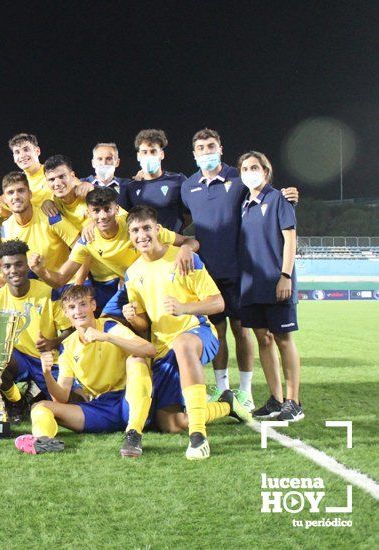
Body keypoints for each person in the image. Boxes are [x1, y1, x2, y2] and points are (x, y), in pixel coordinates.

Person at [181, 129, 299, 409]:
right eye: (201, 147)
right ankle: (222, 389)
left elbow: (266, 196)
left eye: (211, 146)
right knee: (217, 330)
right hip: (207, 274)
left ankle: (245, 390)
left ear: (220, 148)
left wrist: (287, 196)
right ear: (194, 154)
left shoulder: (239, 177)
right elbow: (182, 220)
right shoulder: (188, 186)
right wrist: (184, 244)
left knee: (244, 331)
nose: (206, 151)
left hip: (242, 272)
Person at [122, 206, 246, 460]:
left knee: (183, 343)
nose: (142, 235)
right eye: (135, 230)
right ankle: (226, 405)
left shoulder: (183, 257)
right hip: (163, 348)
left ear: (158, 230)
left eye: (147, 228)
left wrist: (184, 308)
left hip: (197, 333)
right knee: (171, 422)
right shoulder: (132, 274)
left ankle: (198, 436)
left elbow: (217, 303)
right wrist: (134, 317)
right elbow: (145, 325)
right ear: (130, 236)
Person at [15, 285, 157, 457]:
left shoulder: (110, 327)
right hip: (100, 409)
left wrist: (108, 338)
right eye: (72, 307)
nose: (78, 311)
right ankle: (43, 440)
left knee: (137, 359)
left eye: (83, 304)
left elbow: (149, 350)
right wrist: (46, 373)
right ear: (66, 314)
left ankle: (134, 434)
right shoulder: (67, 347)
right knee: (40, 407)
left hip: (128, 402)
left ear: (93, 306)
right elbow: (61, 397)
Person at [30, 187, 198, 318]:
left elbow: (190, 241)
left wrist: (185, 249)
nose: (102, 216)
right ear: (89, 213)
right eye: (96, 211)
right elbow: (60, 279)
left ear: (117, 209)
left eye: (107, 209)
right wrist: (40, 270)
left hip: (161, 284)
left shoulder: (136, 227)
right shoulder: (87, 240)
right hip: (133, 287)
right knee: (108, 320)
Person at [237, 151, 303, 422]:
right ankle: (276, 399)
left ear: (266, 171)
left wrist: (285, 275)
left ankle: (293, 401)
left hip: (277, 282)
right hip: (252, 285)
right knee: (263, 339)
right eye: (244, 168)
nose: (249, 171)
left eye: (254, 167)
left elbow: (290, 239)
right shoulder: (243, 204)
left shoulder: (279, 199)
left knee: (283, 340)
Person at [0, 240, 72, 405]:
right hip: (18, 359)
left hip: (47, 359)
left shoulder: (48, 292)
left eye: (19, 264)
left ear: (27, 266)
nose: (13, 271)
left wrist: (53, 342)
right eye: (7, 266)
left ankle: (34, 393)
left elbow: (70, 329)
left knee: (68, 403)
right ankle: (16, 401)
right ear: (1, 269)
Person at [0, 172, 78, 275]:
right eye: (10, 192)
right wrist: (0, 259)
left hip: (64, 284)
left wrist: (77, 281)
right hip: (33, 285)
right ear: (5, 199)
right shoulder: (5, 228)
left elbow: (81, 249)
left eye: (21, 191)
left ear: (30, 194)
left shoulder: (51, 217)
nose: (16, 196)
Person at [120, 129, 187, 232]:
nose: (149, 156)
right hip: (143, 245)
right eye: (144, 152)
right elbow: (123, 217)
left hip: (172, 245)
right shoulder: (131, 186)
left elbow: (191, 213)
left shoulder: (178, 180)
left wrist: (180, 234)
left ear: (162, 154)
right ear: (138, 156)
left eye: (153, 151)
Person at [0, 133, 51, 207]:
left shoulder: (53, 173)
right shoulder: (18, 181)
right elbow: (0, 206)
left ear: (37, 151)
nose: (22, 156)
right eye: (17, 152)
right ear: (14, 157)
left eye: (26, 150)